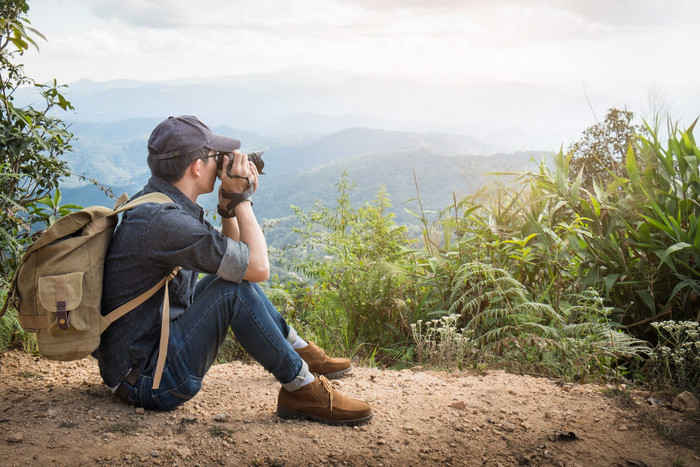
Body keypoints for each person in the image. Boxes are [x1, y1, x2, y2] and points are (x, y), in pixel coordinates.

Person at [95, 115, 373, 426]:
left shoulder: (160, 202)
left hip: (143, 363)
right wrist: (243, 200)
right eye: (216, 156)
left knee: (229, 278)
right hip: (150, 383)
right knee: (233, 289)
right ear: (197, 167)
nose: (222, 163)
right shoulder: (165, 222)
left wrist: (227, 207)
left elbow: (233, 260)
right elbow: (257, 268)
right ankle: (301, 388)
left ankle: (298, 350)